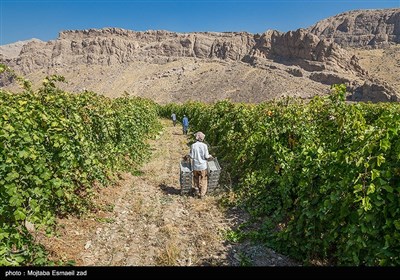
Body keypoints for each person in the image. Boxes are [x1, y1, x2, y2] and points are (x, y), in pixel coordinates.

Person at [189, 131, 213, 198]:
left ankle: (196, 190)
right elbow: (206, 156)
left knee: (196, 178)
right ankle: (202, 194)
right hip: (203, 166)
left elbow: (192, 156)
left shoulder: (193, 145)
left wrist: (187, 156)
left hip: (195, 166)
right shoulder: (204, 146)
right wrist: (210, 156)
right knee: (204, 179)